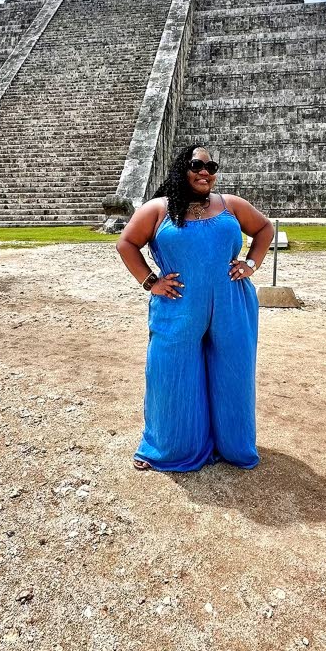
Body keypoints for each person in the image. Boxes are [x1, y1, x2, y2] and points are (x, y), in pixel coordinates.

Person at [116, 144, 275, 472]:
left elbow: (264, 229)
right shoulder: (158, 209)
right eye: (197, 164)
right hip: (178, 307)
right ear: (181, 169)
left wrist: (251, 264)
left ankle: (232, 445)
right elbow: (126, 243)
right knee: (171, 375)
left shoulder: (230, 204)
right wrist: (151, 282)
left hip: (233, 302)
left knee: (232, 375)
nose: (206, 171)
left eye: (211, 166)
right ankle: (168, 446)